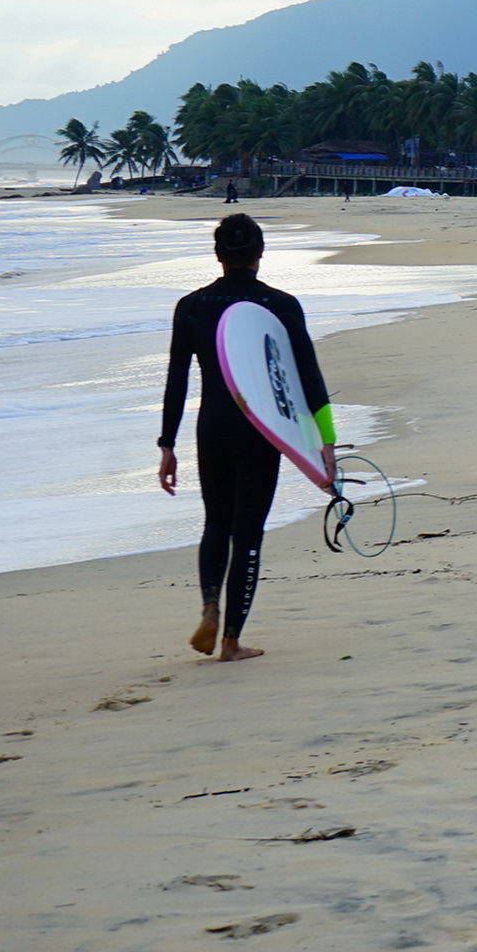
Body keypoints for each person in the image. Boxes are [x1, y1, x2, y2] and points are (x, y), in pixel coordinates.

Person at [158, 213, 331, 663]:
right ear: (260, 252)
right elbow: (308, 377)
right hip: (259, 429)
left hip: (211, 423)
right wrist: (324, 442)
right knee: (248, 533)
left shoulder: (191, 306)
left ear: (218, 255)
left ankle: (209, 604)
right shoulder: (282, 305)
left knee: (216, 522)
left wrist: (166, 445)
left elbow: (176, 379)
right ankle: (231, 641)